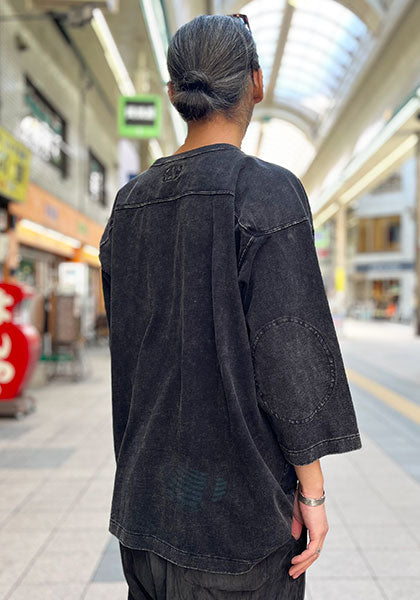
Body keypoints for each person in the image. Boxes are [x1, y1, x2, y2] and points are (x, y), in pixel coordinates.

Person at [99, 13, 363, 600]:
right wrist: (312, 493)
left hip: (143, 515)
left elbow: (128, 346)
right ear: (256, 83)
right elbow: (290, 352)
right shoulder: (266, 190)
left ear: (174, 92)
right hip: (239, 527)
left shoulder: (128, 203)